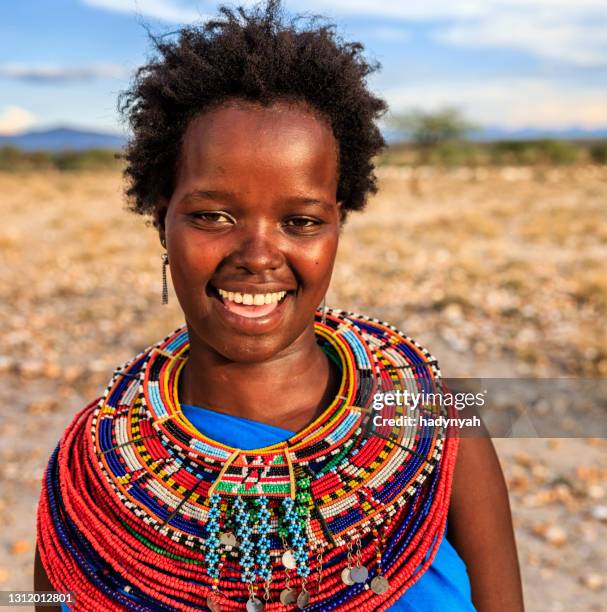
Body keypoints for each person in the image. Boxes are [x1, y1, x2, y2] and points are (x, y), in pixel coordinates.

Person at [35, 2, 523, 610]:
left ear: (336, 227)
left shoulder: (437, 421)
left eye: (300, 221)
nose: (259, 255)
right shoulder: (90, 476)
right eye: (213, 216)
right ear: (164, 222)